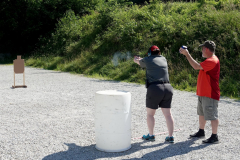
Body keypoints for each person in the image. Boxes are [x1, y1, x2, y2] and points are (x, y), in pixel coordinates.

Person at [179, 40, 220, 144]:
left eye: (202, 48)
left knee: (212, 115)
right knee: (201, 113)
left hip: (210, 93)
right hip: (203, 93)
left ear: (206, 49)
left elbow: (196, 66)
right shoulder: (208, 60)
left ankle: (215, 136)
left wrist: (187, 54)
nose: (202, 50)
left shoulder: (212, 60)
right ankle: (201, 131)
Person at [133, 45, 175, 143]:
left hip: (155, 88)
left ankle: (151, 135)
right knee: (168, 114)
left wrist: (136, 59)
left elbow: (140, 62)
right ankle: (171, 136)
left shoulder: (147, 59)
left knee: (150, 114)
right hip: (168, 87)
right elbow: (152, 61)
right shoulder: (163, 59)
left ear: (149, 53)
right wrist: (143, 59)